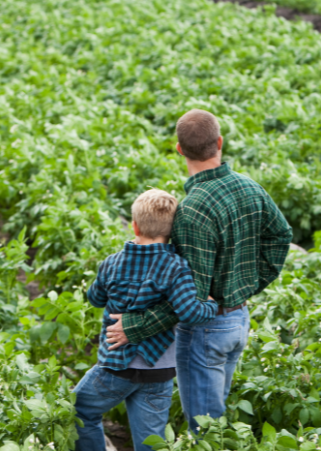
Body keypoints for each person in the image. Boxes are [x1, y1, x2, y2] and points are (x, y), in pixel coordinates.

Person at [104, 109, 294, 431]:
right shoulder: (250, 187)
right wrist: (247, 285)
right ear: (219, 142)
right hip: (238, 320)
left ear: (179, 149)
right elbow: (281, 236)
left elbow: (190, 300)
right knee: (214, 420)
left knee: (205, 429)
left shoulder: (192, 211)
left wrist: (134, 326)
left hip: (206, 330)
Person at [72, 189, 218, 451]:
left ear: (135, 226)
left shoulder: (113, 263)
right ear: (172, 231)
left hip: (117, 366)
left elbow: (94, 298)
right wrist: (211, 304)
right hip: (159, 370)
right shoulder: (177, 267)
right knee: (151, 441)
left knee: (78, 410)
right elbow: (190, 313)